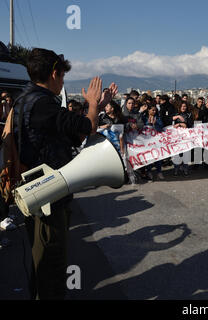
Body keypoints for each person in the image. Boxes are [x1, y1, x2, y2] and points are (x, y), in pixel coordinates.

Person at [13, 48, 117, 299]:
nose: (62, 83)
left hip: (39, 191)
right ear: (54, 73)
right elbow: (87, 127)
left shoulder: (26, 99)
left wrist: (96, 107)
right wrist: (92, 105)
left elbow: (73, 131)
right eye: (62, 77)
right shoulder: (43, 103)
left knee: (43, 265)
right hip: (48, 196)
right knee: (51, 266)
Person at [143, 105, 165, 181]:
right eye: (152, 110)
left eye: (155, 110)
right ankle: (149, 172)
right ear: (148, 110)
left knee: (158, 156)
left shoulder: (158, 118)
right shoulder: (144, 118)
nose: (154, 112)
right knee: (148, 156)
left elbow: (161, 127)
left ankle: (159, 172)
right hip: (147, 141)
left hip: (156, 140)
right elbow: (141, 127)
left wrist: (155, 124)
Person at [173, 102, 194, 176]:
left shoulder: (189, 114)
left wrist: (180, 124)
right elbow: (172, 124)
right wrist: (179, 123)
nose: (183, 107)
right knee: (177, 153)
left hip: (186, 137)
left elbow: (189, 124)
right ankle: (176, 169)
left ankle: (185, 169)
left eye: (184, 106)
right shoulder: (175, 114)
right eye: (181, 106)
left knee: (186, 154)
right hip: (177, 137)